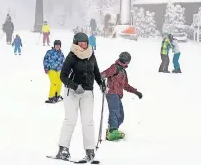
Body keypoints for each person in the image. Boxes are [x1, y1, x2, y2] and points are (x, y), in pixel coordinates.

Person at [55, 32, 105, 162]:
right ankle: (63, 149)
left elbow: (96, 72)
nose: (83, 45)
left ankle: (90, 151)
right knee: (70, 120)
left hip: (87, 93)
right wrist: (74, 86)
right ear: (76, 43)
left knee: (88, 122)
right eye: (81, 43)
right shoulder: (71, 56)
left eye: (85, 43)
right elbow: (63, 76)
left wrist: (101, 84)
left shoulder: (91, 55)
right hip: (72, 92)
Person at [100, 52, 142, 141]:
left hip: (117, 95)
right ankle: (113, 130)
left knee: (121, 115)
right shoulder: (115, 67)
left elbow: (126, 85)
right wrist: (102, 79)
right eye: (127, 61)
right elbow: (104, 74)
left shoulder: (123, 71)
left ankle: (111, 130)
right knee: (114, 112)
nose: (127, 63)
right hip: (111, 93)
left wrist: (136, 92)